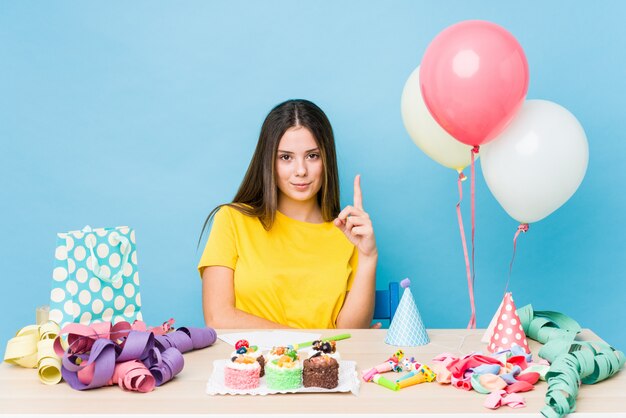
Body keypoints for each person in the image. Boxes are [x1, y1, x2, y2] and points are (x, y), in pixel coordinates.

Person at [198, 99, 378, 329]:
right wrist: (308, 343)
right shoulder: (232, 220)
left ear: (326, 159)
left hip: (323, 365)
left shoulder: (348, 232)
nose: (301, 170)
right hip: (252, 363)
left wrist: (368, 257)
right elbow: (218, 317)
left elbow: (351, 335)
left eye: (312, 156)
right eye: (286, 157)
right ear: (269, 162)